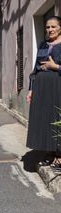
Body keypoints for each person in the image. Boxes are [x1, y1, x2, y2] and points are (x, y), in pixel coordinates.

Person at [26, 16, 61, 169]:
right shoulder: (42, 45)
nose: (50, 30)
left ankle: (59, 154)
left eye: (53, 27)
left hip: (57, 87)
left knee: (56, 118)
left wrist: (56, 67)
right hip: (41, 88)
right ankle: (49, 152)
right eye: (47, 27)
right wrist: (31, 90)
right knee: (44, 119)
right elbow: (35, 69)